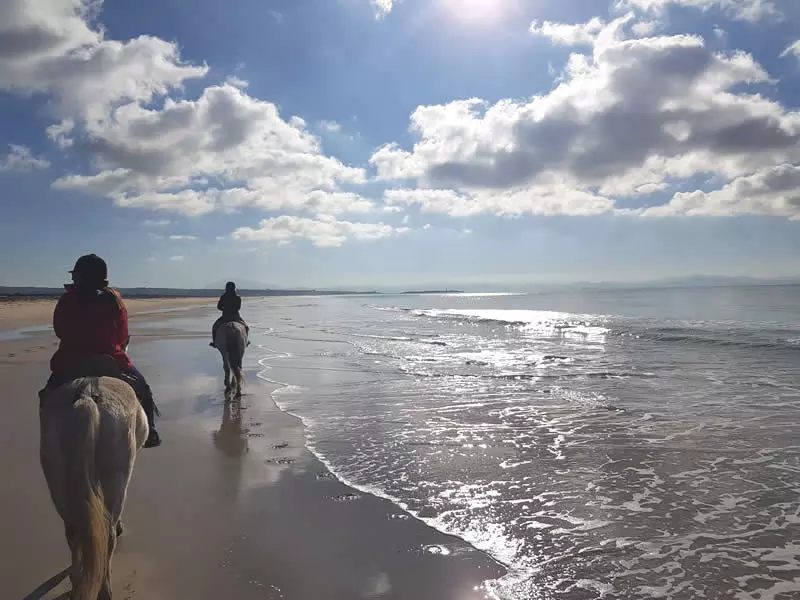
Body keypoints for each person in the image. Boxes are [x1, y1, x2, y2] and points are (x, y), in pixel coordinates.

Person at [39, 254, 161, 448]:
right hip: (110, 360)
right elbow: (122, 335)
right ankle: (151, 432)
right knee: (143, 389)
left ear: (79, 277)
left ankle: (46, 438)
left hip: (71, 362)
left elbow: (60, 330)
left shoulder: (67, 299)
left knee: (47, 395)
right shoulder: (115, 300)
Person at [210, 281, 249, 348]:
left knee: (214, 327)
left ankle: (214, 343)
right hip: (235, 317)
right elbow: (238, 308)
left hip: (225, 317)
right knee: (246, 327)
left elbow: (219, 307)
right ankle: (245, 342)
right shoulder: (237, 297)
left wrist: (225, 310)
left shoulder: (223, 297)